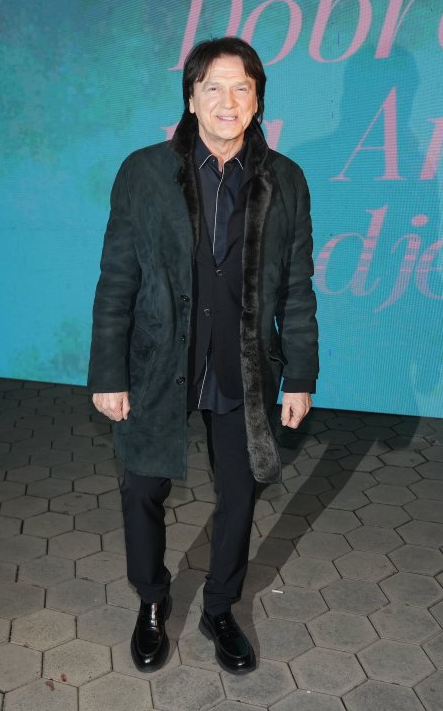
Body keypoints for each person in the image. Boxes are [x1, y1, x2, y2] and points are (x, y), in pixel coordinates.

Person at [89, 37, 319, 674]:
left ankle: (220, 607)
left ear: (258, 101)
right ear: (190, 98)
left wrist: (300, 376)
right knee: (142, 486)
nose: (227, 100)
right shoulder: (144, 172)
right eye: (212, 86)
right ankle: (152, 600)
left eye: (242, 88)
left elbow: (297, 286)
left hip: (242, 363)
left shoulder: (286, 180)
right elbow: (116, 279)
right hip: (160, 358)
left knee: (240, 492)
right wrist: (108, 372)